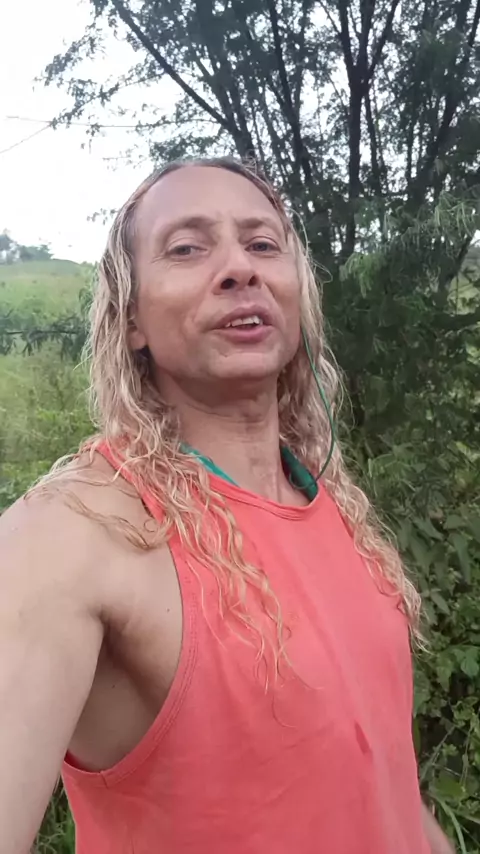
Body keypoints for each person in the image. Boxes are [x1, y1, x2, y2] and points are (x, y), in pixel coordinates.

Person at [0, 158, 454, 854]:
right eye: (187, 248)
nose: (239, 268)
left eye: (263, 244)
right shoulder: (72, 533)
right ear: (131, 319)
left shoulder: (330, 503)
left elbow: (379, 784)